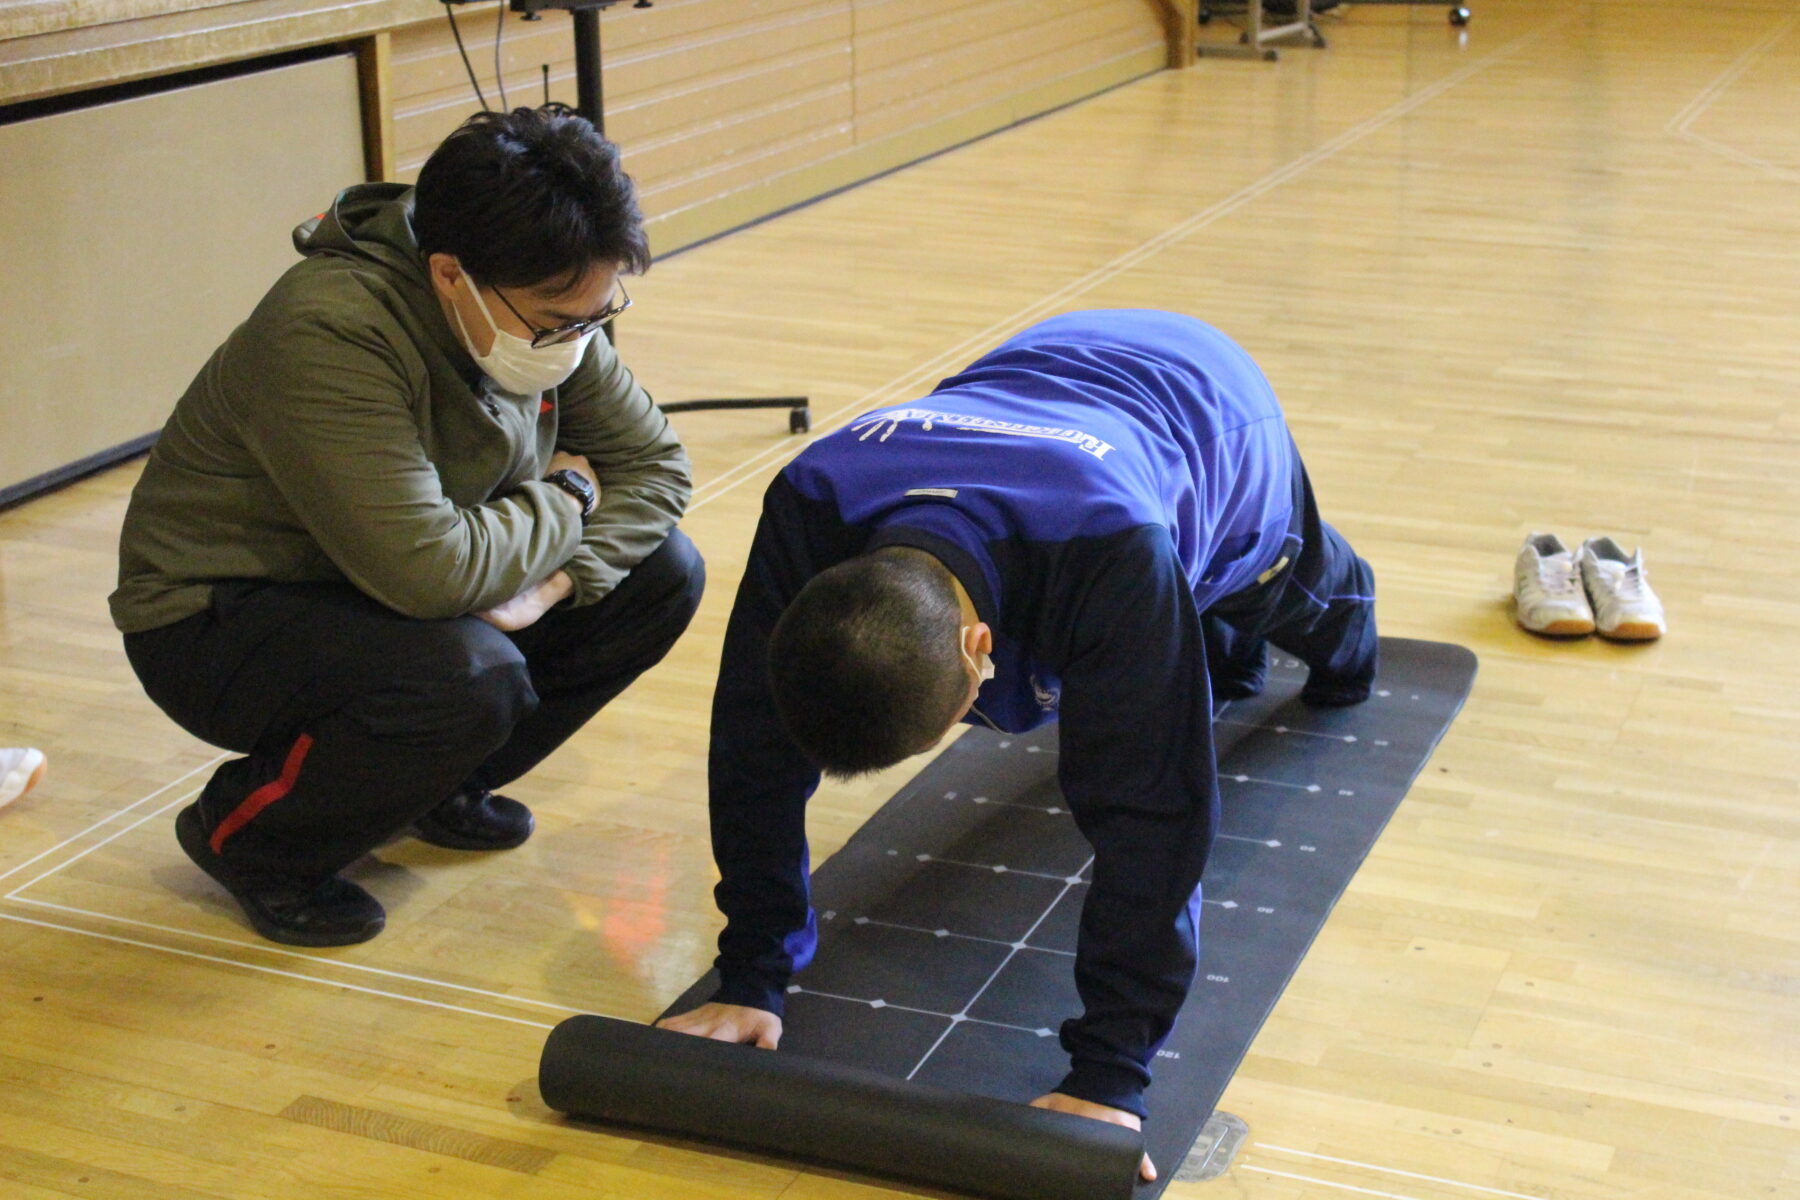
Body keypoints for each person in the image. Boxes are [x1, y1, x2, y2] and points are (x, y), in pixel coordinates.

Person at [658, 309, 1376, 1178]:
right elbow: (752, 744)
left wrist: (1111, 1075)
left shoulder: (1114, 556)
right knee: (1209, 667)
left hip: (1210, 409)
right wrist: (750, 971)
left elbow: (1152, 819)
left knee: (1293, 617)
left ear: (978, 650)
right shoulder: (812, 504)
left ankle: (1338, 623)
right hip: (1043, 379)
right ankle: (1219, 646)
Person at [111, 104, 701, 948]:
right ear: (451, 273)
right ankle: (252, 842)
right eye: (556, 321)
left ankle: (433, 786)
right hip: (221, 613)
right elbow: (431, 573)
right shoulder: (330, 329)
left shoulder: (547, 294)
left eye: (598, 314)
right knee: (467, 674)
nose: (577, 340)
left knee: (662, 575)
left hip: (391, 573)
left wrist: (558, 581)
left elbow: (657, 466)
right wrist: (568, 499)